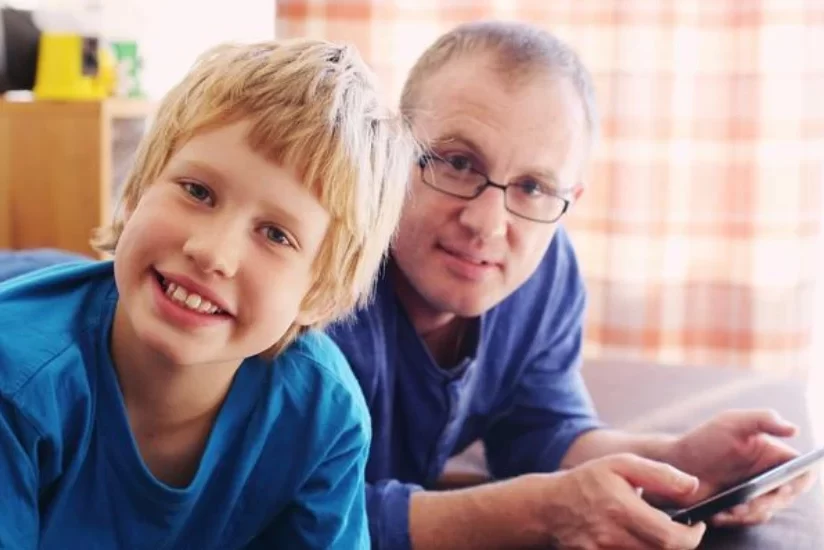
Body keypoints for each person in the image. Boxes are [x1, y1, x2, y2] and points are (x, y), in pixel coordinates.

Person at [324, 20, 815, 550]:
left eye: (533, 187)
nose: (487, 224)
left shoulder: (546, 269)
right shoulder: (321, 281)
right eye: (459, 163)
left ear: (568, 201)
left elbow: (541, 431)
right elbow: (295, 516)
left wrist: (674, 463)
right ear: (396, 150)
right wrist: (542, 512)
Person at [0, 38, 415, 548]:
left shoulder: (323, 416)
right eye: (197, 191)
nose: (213, 253)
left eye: (276, 235)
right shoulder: (15, 377)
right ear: (133, 194)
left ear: (322, 295)